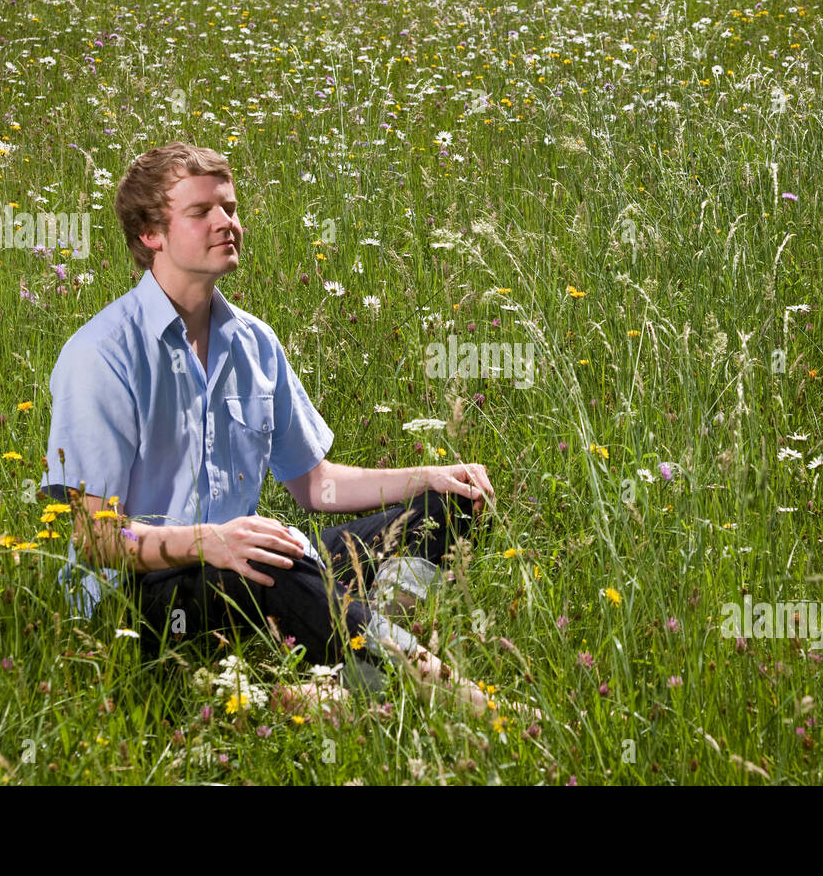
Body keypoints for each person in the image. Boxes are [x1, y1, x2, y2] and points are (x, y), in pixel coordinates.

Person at [38, 141, 496, 714]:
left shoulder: (253, 342)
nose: (225, 223)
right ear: (151, 235)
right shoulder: (102, 354)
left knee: (449, 505)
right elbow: (92, 537)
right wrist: (211, 542)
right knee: (267, 559)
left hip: (247, 568)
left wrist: (428, 475)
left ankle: (347, 675)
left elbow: (315, 485)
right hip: (141, 604)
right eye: (201, 212)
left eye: (229, 208)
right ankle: (448, 696)